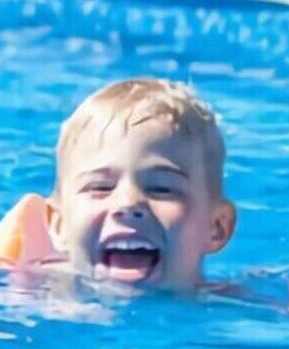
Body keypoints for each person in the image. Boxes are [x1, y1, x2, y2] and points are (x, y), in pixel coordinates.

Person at [48, 77, 238, 293]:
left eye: (162, 189)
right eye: (101, 187)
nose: (128, 203)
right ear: (58, 225)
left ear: (217, 227)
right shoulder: (27, 300)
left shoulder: (244, 310)